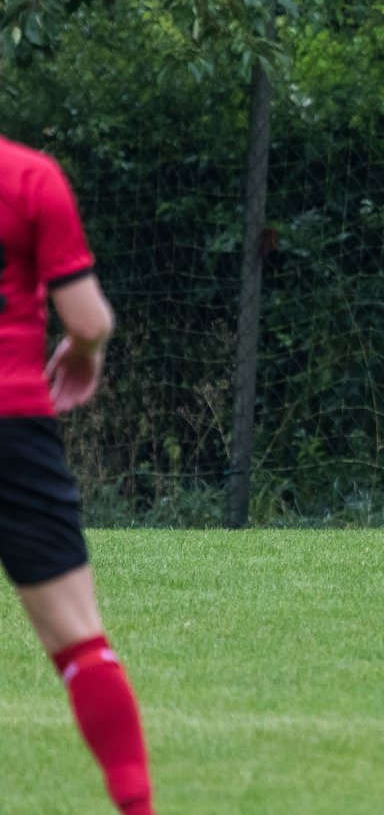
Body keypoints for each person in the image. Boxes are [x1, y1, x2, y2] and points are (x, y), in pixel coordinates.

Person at [0, 135, 155, 812]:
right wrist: (83, 352)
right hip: (13, 427)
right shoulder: (28, 177)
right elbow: (86, 319)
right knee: (79, 645)